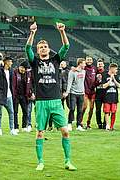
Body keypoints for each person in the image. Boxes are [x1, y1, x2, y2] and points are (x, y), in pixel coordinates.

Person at [25, 22, 76, 171]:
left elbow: (66, 46)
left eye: (45, 47)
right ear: (38, 50)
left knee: (65, 131)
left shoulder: (55, 60)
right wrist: (32, 33)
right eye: (40, 47)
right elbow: (27, 48)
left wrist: (62, 32)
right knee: (40, 132)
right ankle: (40, 161)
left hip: (56, 101)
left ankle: (67, 161)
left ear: (48, 48)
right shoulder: (34, 62)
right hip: (41, 102)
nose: (43, 48)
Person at [0, 57, 17, 136]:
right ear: (6, 62)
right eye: (10, 62)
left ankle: (12, 129)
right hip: (0, 95)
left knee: (11, 112)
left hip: (9, 96)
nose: (11, 63)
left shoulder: (11, 71)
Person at [65, 58, 86, 131]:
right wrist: (67, 92)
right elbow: (69, 82)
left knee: (80, 110)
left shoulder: (84, 71)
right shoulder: (72, 72)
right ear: (80, 63)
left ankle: (79, 125)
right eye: (84, 63)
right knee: (72, 108)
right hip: (73, 93)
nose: (85, 65)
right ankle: (69, 123)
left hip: (81, 93)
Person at [12, 61, 33, 132]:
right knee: (15, 111)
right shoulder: (14, 73)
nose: (24, 70)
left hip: (24, 96)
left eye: (26, 69)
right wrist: (13, 95)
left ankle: (24, 126)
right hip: (16, 95)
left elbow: (30, 85)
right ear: (20, 67)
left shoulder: (28, 74)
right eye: (23, 68)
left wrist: (30, 93)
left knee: (25, 111)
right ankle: (16, 127)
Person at [101, 63, 120, 131]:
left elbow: (118, 86)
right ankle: (107, 125)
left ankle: (112, 126)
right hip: (107, 97)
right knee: (106, 112)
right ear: (111, 68)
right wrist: (110, 80)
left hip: (114, 97)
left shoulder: (116, 76)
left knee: (113, 112)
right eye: (115, 69)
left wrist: (114, 78)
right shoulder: (105, 75)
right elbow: (103, 86)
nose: (116, 70)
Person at [82, 56, 97, 129]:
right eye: (87, 60)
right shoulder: (83, 68)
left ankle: (88, 122)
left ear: (92, 61)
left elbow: (97, 78)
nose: (89, 61)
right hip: (85, 90)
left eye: (90, 60)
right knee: (84, 107)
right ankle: (80, 121)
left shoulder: (94, 68)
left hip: (92, 91)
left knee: (91, 108)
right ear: (85, 61)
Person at [95, 58, 106, 129]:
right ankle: (99, 123)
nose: (100, 65)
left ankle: (105, 123)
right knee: (98, 109)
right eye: (99, 64)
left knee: (106, 109)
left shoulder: (106, 73)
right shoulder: (94, 73)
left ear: (103, 65)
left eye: (101, 64)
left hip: (105, 94)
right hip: (98, 94)